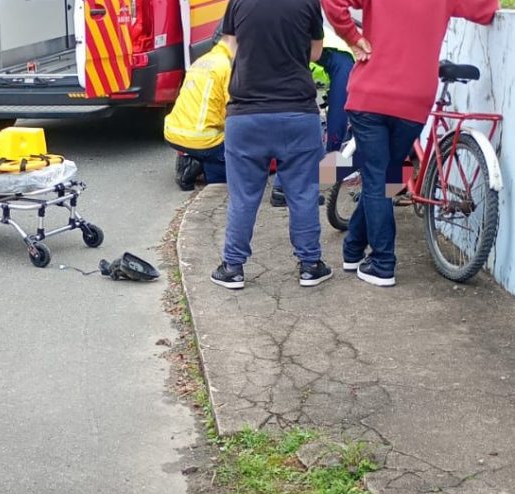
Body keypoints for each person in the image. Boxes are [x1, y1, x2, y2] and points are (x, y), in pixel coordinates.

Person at [322, 0, 498, 287]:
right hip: (415, 101)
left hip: (371, 95)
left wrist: (353, 38)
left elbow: (332, 2)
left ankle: (382, 264)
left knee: (377, 179)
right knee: (384, 178)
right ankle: (353, 249)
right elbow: (486, 10)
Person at [211, 0, 331, 290]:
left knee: (244, 196)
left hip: (246, 116)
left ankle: (233, 267)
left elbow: (230, 44)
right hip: (298, 114)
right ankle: (310, 266)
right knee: (302, 193)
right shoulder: (308, 2)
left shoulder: (238, 2)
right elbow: (316, 51)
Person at [271, 24, 356, 207]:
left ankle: (282, 186)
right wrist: (332, 153)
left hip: (291, 52)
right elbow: (338, 118)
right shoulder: (346, 61)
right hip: (318, 53)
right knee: (309, 127)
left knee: (296, 122)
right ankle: (290, 188)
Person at [164, 34, 235, 190]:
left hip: (174, 132)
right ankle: (209, 173)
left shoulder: (201, 61)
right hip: (204, 139)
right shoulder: (227, 67)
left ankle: (190, 162)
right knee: (230, 170)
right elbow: (234, 109)